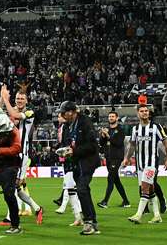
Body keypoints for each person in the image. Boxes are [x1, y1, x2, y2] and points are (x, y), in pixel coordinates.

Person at [0, 85, 43, 225]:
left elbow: (16, 115)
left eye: (22, 98)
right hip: (10, 153)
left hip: (21, 154)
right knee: (16, 187)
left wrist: (6, 100)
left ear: (26, 100)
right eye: (17, 98)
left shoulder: (30, 112)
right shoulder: (10, 112)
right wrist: (2, 97)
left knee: (12, 185)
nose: (19, 100)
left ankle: (9, 217)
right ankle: (37, 208)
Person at [59, 101, 101, 235]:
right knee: (84, 190)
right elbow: (66, 143)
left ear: (72, 112)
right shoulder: (66, 126)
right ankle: (93, 221)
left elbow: (92, 146)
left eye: (64, 112)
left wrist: (74, 151)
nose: (62, 115)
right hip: (76, 162)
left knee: (82, 189)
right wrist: (63, 150)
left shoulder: (85, 122)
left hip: (88, 161)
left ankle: (88, 222)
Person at [125, 103, 167, 225]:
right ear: (138, 113)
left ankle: (138, 214)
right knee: (149, 190)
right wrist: (127, 158)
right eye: (142, 111)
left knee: (145, 188)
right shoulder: (135, 129)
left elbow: (166, 141)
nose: (145, 113)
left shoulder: (156, 127)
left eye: (146, 111)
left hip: (151, 163)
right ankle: (157, 216)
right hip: (140, 165)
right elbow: (133, 145)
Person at [98, 111, 129, 208]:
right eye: (109, 116)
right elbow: (102, 144)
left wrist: (108, 136)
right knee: (116, 180)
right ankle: (126, 201)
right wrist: (102, 137)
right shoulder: (107, 129)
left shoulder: (120, 129)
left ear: (117, 118)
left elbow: (118, 143)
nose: (111, 118)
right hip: (108, 157)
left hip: (117, 158)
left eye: (112, 116)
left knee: (110, 178)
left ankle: (105, 201)